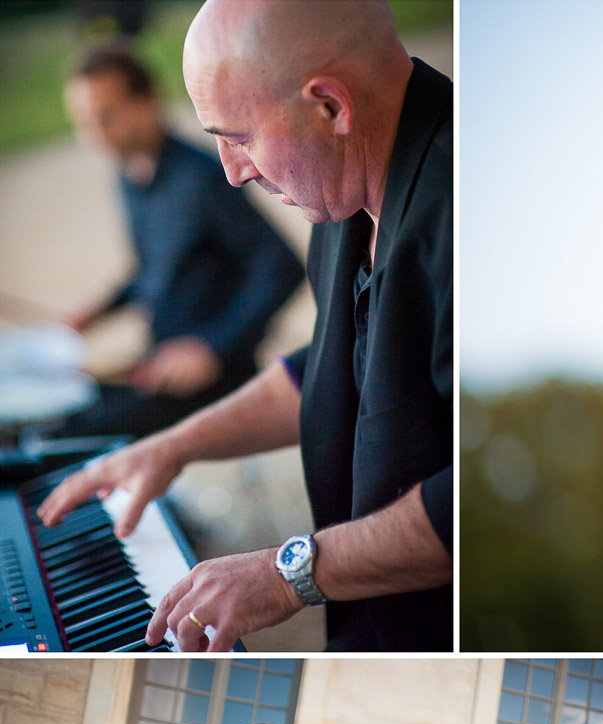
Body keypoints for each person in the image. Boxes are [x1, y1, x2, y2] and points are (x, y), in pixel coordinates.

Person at [37, 0, 452, 654]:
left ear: (330, 106)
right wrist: (171, 446)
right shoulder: (344, 188)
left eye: (239, 137)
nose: (234, 172)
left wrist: (291, 572)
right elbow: (330, 368)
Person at [57, 44, 303, 440]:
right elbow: (157, 270)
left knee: (73, 435)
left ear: (147, 100)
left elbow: (282, 267)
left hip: (214, 371)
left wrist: (211, 347)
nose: (95, 135)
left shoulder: (201, 179)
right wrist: (94, 314)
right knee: (61, 405)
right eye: (84, 122)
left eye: (106, 117)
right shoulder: (128, 177)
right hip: (158, 359)